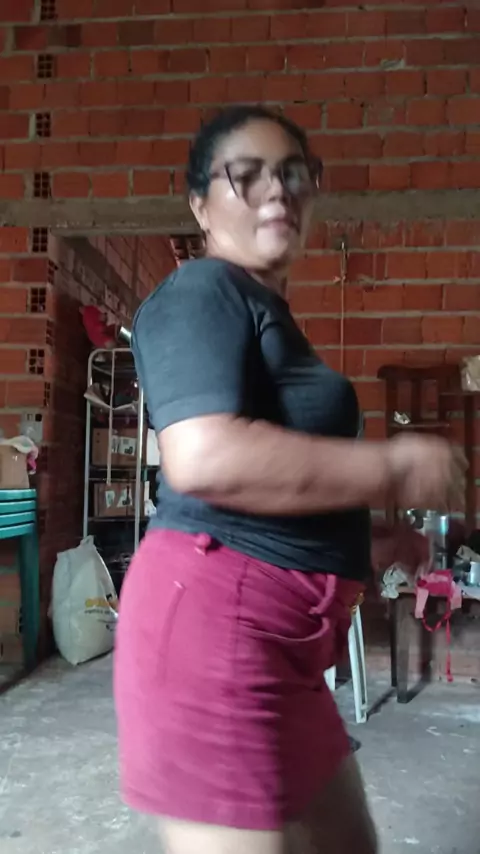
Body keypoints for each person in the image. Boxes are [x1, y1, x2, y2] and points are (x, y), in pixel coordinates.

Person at [114, 105, 464, 854]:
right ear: (201, 206)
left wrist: (368, 542)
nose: (278, 190)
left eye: (294, 174)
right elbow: (204, 458)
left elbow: (274, 489)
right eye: (246, 175)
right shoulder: (203, 292)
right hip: (214, 632)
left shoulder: (269, 318)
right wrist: (394, 465)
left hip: (289, 647)